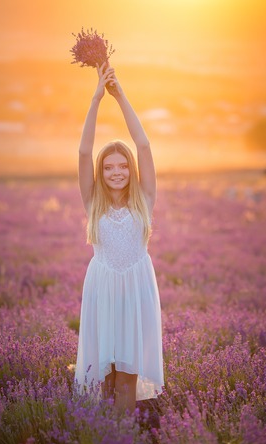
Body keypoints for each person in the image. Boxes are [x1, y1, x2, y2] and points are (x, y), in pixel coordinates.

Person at [74, 62, 164, 413]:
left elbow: (143, 144)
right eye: (108, 167)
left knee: (127, 375)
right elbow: (83, 153)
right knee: (104, 376)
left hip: (137, 290)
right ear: (100, 172)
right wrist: (96, 98)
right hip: (102, 289)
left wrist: (119, 94)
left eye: (122, 166)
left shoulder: (145, 200)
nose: (116, 172)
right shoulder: (92, 202)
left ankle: (123, 438)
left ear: (132, 170)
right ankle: (104, 435)